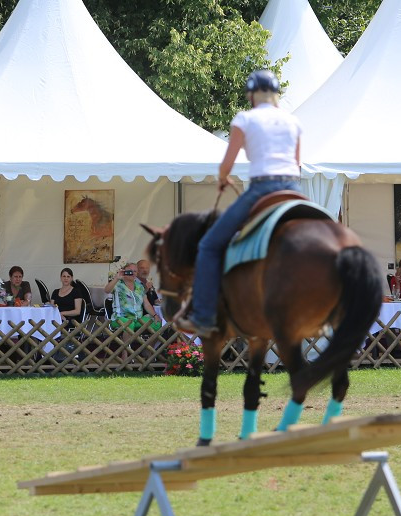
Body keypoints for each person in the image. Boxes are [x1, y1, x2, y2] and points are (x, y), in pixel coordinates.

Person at [175, 69, 302, 335]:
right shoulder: (293, 122)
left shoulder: (245, 118)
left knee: (208, 245)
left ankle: (204, 317)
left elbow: (227, 164)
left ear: (252, 95)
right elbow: (297, 164)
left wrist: (223, 179)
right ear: (275, 93)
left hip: (262, 188)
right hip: (293, 187)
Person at [111, 263, 161, 333]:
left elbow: (146, 304)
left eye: (135, 271)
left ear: (137, 274)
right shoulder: (118, 285)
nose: (132, 273)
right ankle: (126, 344)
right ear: (124, 271)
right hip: (120, 318)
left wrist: (155, 315)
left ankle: (148, 344)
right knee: (129, 324)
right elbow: (106, 290)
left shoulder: (140, 287)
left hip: (137, 319)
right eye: (130, 271)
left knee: (157, 323)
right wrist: (116, 278)